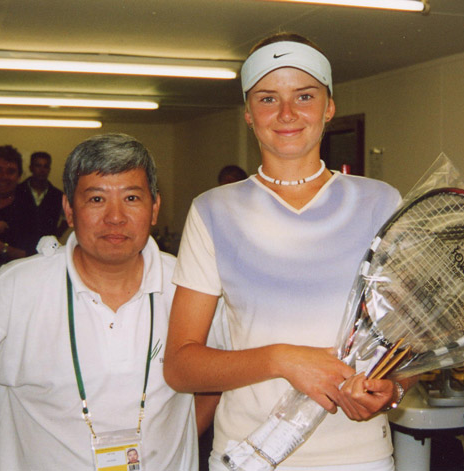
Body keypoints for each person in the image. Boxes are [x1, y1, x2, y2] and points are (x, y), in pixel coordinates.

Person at [164, 33, 417, 471]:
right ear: (248, 113)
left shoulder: (380, 202)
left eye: (304, 95)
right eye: (267, 98)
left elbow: (408, 341)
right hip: (250, 455)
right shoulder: (213, 211)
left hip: (358, 457)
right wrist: (282, 358)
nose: (286, 113)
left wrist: (391, 388)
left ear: (329, 106)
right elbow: (181, 365)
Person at [0, 133, 198, 470]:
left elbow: (216, 375)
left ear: (154, 208)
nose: (115, 217)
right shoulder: (18, 288)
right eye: (96, 199)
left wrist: (177, 444)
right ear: (69, 211)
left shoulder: (190, 285)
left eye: (132, 197)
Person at [16, 151, 67, 245]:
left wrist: (57, 234)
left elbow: (67, 217)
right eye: (38, 166)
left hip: (45, 249)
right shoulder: (17, 191)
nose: (42, 170)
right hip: (19, 247)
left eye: (46, 166)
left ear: (49, 169)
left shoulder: (58, 195)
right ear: (31, 168)